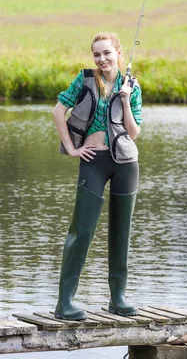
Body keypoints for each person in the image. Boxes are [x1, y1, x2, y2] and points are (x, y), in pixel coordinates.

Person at [52, 32, 143, 320]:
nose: (101, 59)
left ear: (118, 52)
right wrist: (71, 148)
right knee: (81, 231)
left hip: (125, 162)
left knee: (121, 232)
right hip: (92, 160)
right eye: (96, 54)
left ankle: (118, 299)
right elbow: (58, 111)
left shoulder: (132, 85)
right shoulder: (85, 79)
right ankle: (64, 303)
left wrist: (126, 100)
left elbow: (134, 132)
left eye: (106, 53)